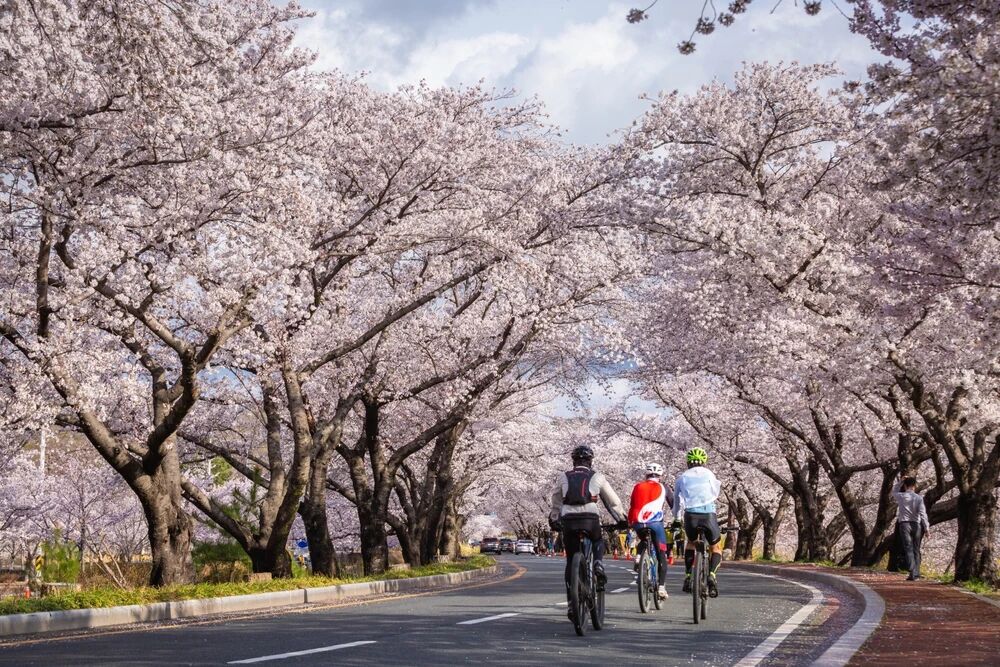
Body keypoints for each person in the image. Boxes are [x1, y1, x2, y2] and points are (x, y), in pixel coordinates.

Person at [549, 444, 627, 599]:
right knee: (598, 540)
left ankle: (572, 603)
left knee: (571, 560)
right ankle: (598, 563)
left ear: (573, 461)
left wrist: (554, 517)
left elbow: (556, 499)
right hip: (590, 518)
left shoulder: (564, 476)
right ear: (591, 461)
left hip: (569, 519)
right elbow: (613, 501)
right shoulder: (597, 476)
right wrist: (622, 519)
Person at [674, 447, 723, 597]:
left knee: (691, 542)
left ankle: (688, 575)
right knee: (716, 547)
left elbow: (677, 500)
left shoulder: (682, 477)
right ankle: (712, 575)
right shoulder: (709, 474)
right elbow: (716, 492)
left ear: (688, 462)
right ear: (704, 462)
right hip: (708, 514)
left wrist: (677, 519)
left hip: (690, 516)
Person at [628, 462, 674, 600]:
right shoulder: (663, 487)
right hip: (655, 524)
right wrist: (677, 519)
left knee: (643, 538)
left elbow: (632, 504)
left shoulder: (637, 486)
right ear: (660, 475)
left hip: (637, 522)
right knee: (661, 554)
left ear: (646, 474)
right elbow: (673, 504)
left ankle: (638, 557)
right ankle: (661, 587)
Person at [893, 475, 930, 581]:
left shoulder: (901, 496)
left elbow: (894, 491)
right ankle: (915, 574)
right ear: (914, 486)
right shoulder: (919, 498)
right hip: (917, 525)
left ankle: (912, 570)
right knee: (916, 549)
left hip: (904, 524)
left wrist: (900, 481)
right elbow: (923, 513)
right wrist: (926, 528)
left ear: (905, 486)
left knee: (908, 547)